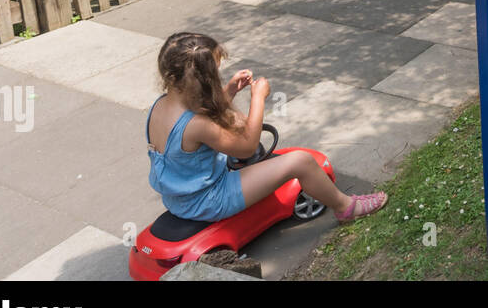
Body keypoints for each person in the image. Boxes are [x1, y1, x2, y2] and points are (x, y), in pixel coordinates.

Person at [146, 32, 386, 224]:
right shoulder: (196, 126)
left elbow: (201, 113)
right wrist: (258, 98)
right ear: (203, 80)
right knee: (300, 161)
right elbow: (247, 147)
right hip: (208, 201)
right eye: (215, 73)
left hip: (177, 199)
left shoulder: (159, 106)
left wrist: (229, 91)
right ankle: (346, 207)